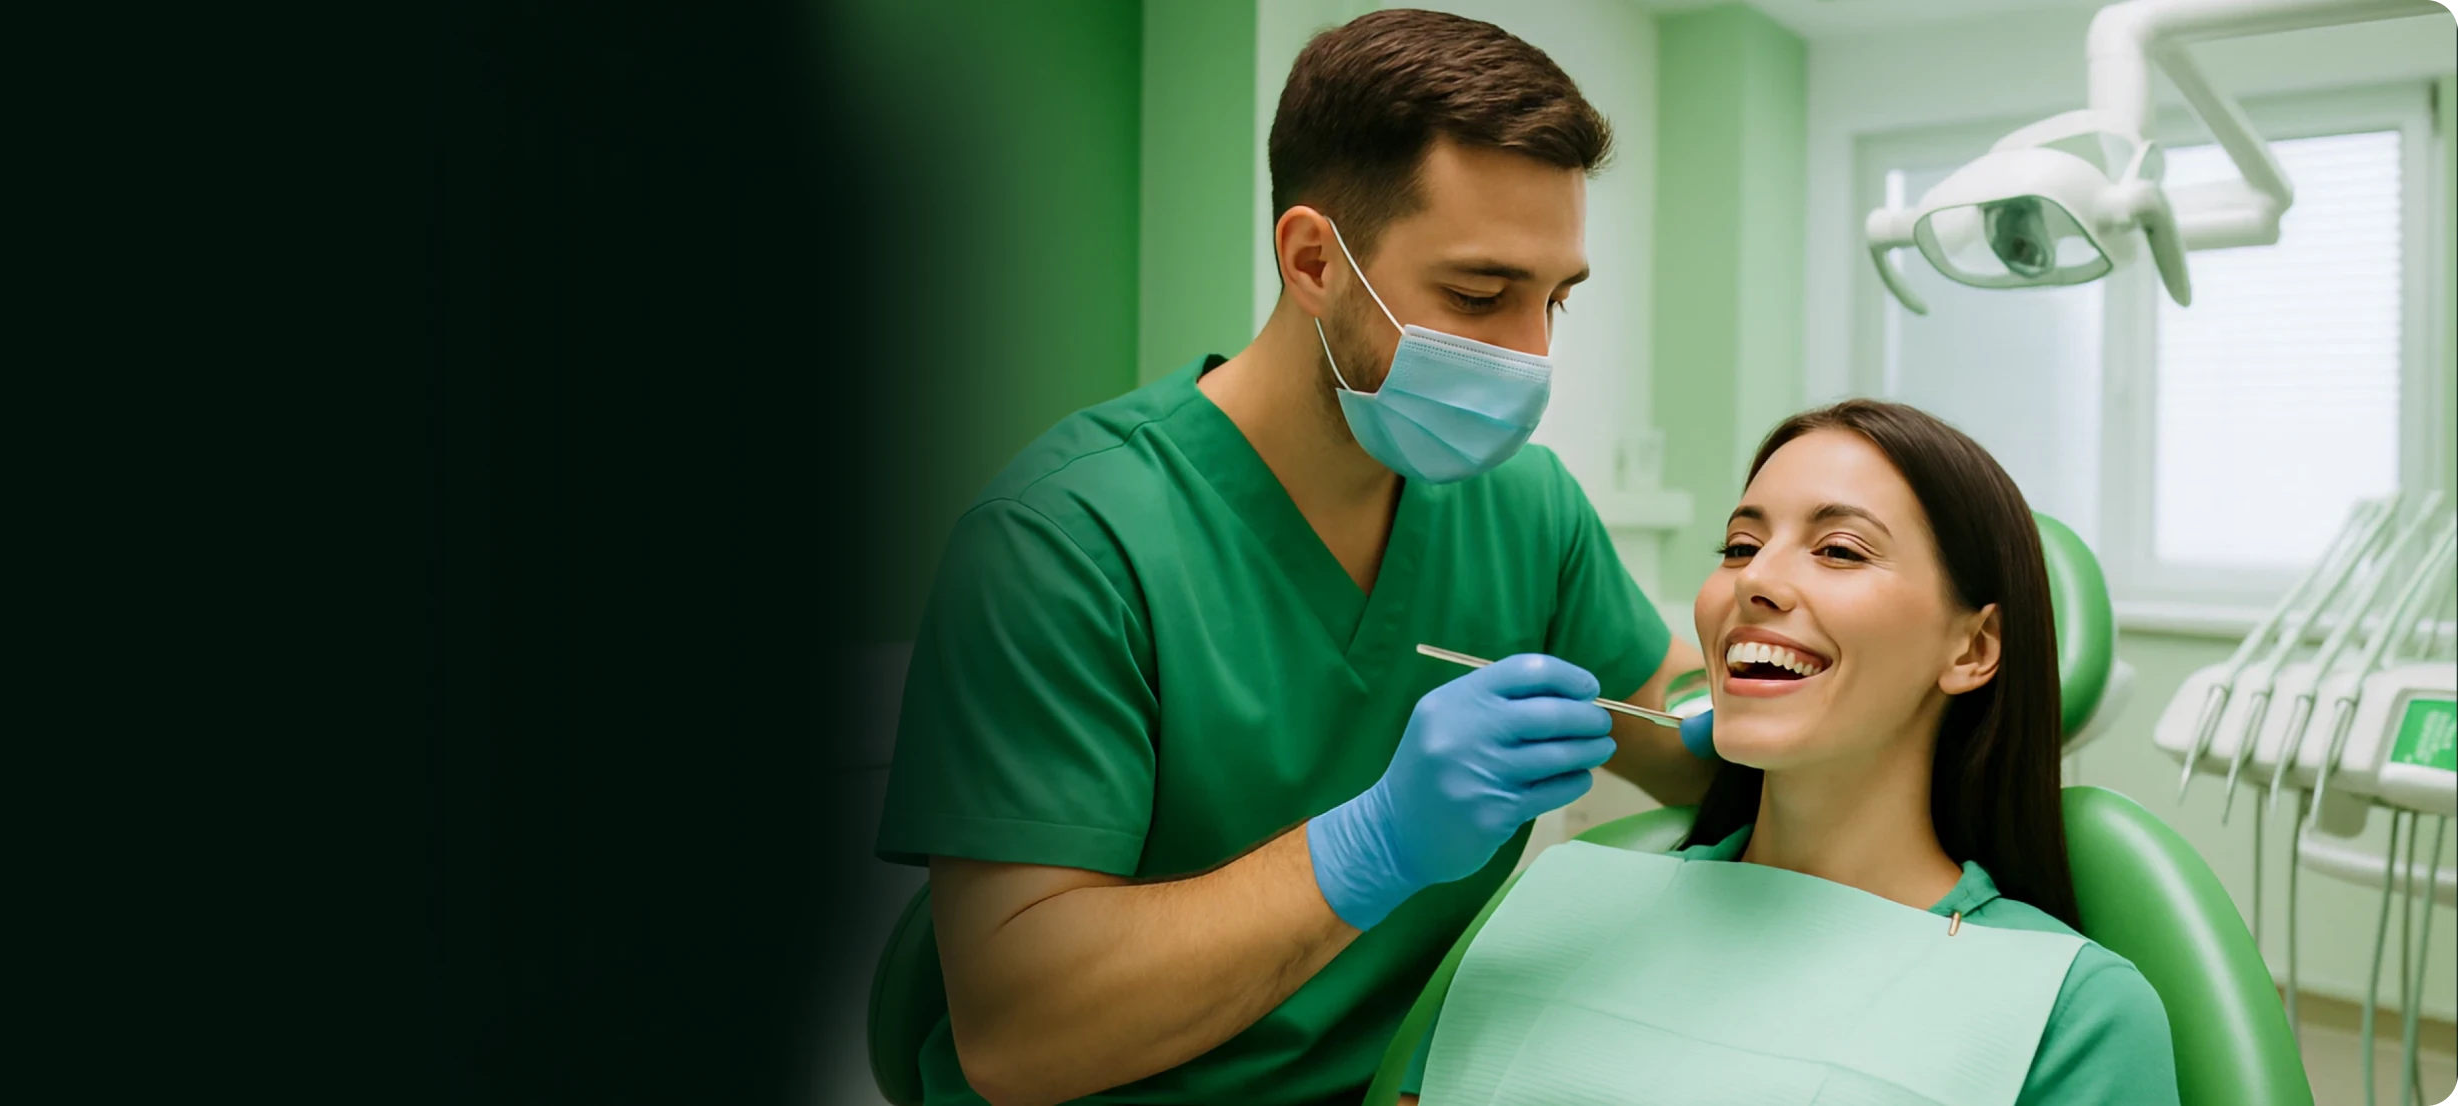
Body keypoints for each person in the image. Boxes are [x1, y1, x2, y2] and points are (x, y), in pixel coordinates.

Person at [872, 10, 1721, 1106]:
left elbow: (1680, 738)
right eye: (1477, 296)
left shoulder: (1523, 507)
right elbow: (1017, 1035)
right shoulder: (1063, 539)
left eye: (1553, 300)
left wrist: (1762, 666)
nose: (1530, 357)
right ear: (1314, 259)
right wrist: (1371, 841)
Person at [1390, 400, 2179, 1105]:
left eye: (1838, 550)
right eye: (1739, 546)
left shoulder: (2070, 1010)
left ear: (1973, 647)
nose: (1754, 580)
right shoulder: (1562, 900)